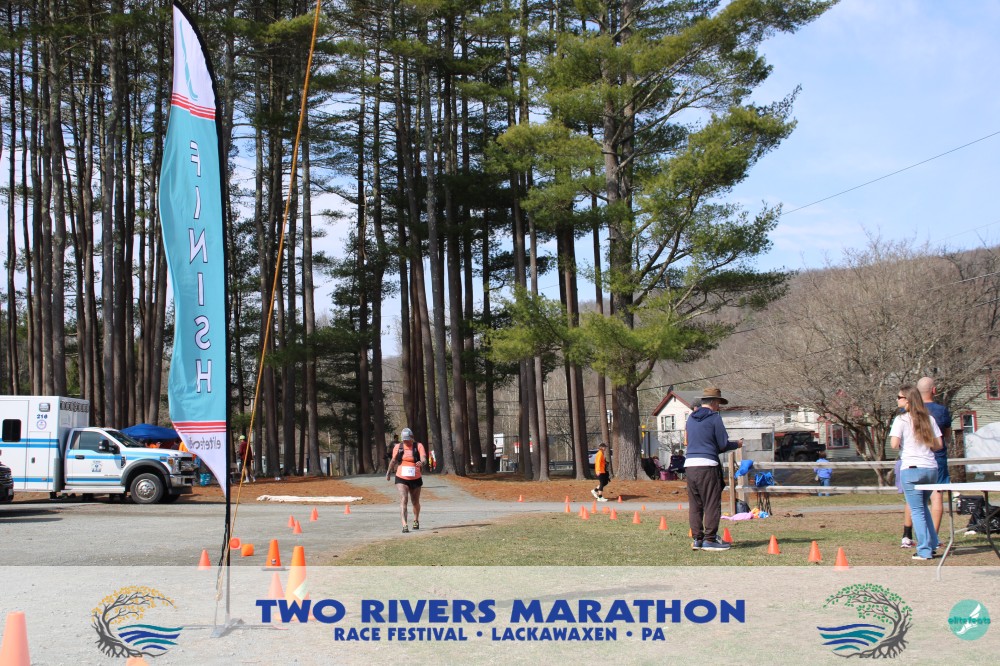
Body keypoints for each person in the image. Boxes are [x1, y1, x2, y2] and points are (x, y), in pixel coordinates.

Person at [684, 387, 743, 551]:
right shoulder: (715, 418)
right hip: (707, 465)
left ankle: (697, 538)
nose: (719, 407)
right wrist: (737, 444)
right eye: (719, 404)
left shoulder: (690, 419)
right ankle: (710, 539)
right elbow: (722, 444)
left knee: (695, 504)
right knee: (711, 502)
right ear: (715, 402)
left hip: (690, 465)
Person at [890, 384, 943, 561]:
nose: (897, 400)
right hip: (930, 468)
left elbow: (894, 444)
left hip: (912, 469)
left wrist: (906, 442)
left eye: (899, 397)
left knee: (917, 511)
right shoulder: (929, 419)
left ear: (907, 400)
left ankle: (924, 550)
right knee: (923, 507)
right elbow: (939, 445)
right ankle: (933, 543)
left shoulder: (901, 420)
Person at [386, 428, 426, 533]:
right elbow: (393, 460)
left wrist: (422, 463)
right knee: (404, 498)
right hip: (401, 477)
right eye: (404, 440)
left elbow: (424, 458)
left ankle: (416, 520)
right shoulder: (398, 447)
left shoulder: (419, 446)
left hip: (416, 478)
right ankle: (404, 525)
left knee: (415, 501)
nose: (406, 442)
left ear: (412, 437)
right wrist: (388, 472)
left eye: (408, 439)